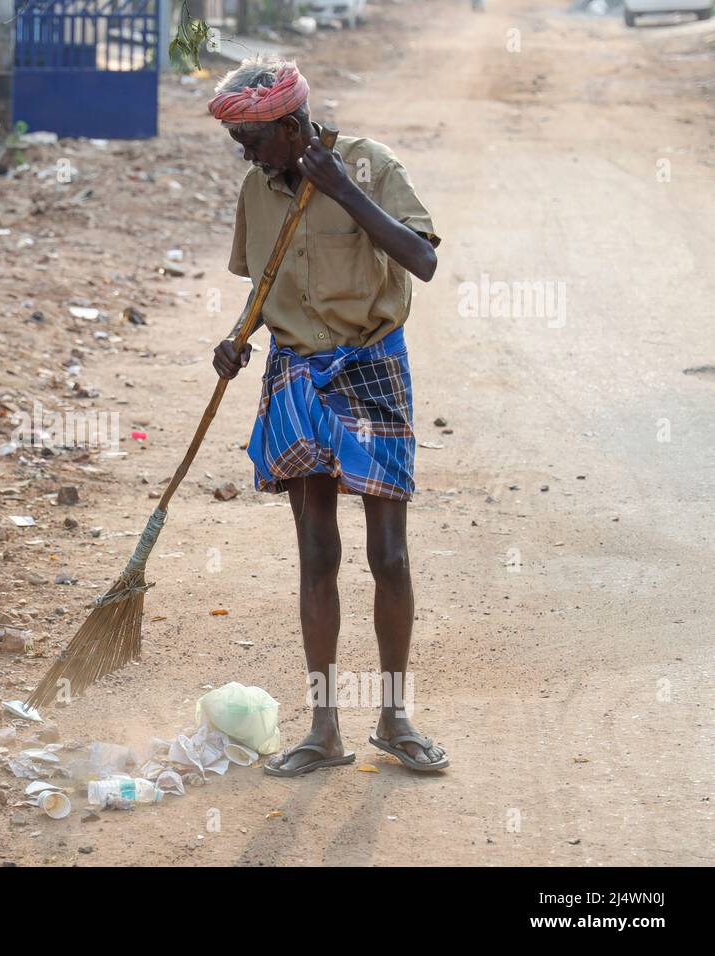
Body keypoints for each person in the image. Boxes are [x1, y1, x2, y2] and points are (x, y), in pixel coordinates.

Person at [209, 57, 450, 775]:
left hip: (372, 365)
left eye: (251, 138)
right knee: (317, 555)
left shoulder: (369, 166)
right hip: (294, 369)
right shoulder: (258, 189)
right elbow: (265, 281)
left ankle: (395, 718)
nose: (243, 154)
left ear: (290, 126)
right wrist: (237, 338)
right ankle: (324, 729)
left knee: (390, 557)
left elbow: (422, 262)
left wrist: (343, 190)